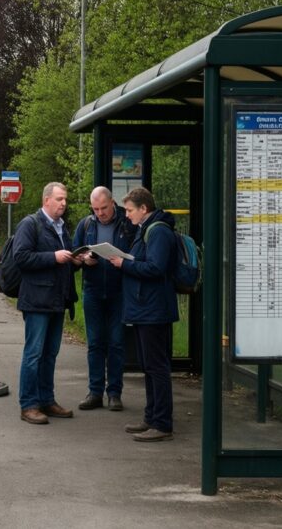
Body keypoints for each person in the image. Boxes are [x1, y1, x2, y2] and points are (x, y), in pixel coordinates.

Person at [107, 187, 179, 442]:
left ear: (143, 209)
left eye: (129, 211)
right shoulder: (146, 229)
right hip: (145, 307)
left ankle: (162, 423)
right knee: (149, 366)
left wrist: (124, 263)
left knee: (157, 367)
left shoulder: (157, 231)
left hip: (154, 310)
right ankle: (151, 417)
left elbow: (156, 267)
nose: (126, 216)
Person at [13, 182, 81, 425]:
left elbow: (64, 263)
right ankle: (29, 405)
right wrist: (53, 257)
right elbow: (20, 257)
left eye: (65, 199)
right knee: (33, 354)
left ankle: (46, 400)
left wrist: (78, 260)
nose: (64, 203)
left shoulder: (62, 227)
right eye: (60, 199)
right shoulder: (30, 224)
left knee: (50, 354)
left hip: (56, 300)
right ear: (46, 201)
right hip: (37, 301)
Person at [72, 186, 136, 412]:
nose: (100, 213)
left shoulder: (126, 224)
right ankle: (95, 392)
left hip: (119, 292)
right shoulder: (86, 224)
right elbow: (74, 255)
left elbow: (136, 253)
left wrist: (123, 261)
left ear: (113, 203)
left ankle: (115, 393)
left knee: (117, 343)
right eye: (96, 209)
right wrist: (83, 259)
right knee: (95, 343)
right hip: (93, 291)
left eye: (104, 208)